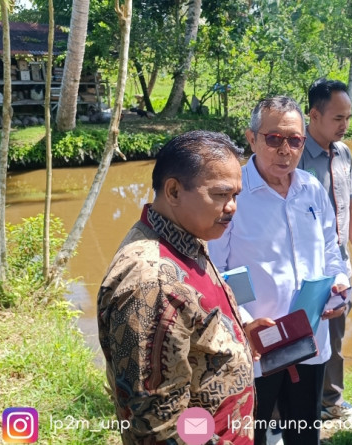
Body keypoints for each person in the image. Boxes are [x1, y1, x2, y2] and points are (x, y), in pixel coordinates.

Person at [98, 130, 268, 444]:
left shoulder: (185, 239)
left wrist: (237, 334)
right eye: (219, 194)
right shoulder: (150, 282)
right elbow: (159, 428)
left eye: (235, 196)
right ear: (174, 191)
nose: (231, 207)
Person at [209, 96, 350, 445]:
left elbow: (331, 249)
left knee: (304, 433)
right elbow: (216, 269)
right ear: (252, 138)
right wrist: (243, 319)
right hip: (258, 345)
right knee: (250, 434)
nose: (284, 150)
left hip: (311, 341)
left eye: (295, 140)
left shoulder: (311, 189)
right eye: (273, 139)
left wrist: (340, 284)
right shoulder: (232, 195)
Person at [298, 78, 352, 423]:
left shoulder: (344, 153)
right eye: (338, 118)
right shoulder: (294, 157)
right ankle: (291, 411)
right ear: (313, 114)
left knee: (335, 337)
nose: (345, 125)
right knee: (298, 341)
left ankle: (331, 401)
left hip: (338, 265)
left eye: (348, 118)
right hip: (305, 270)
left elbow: (351, 204)